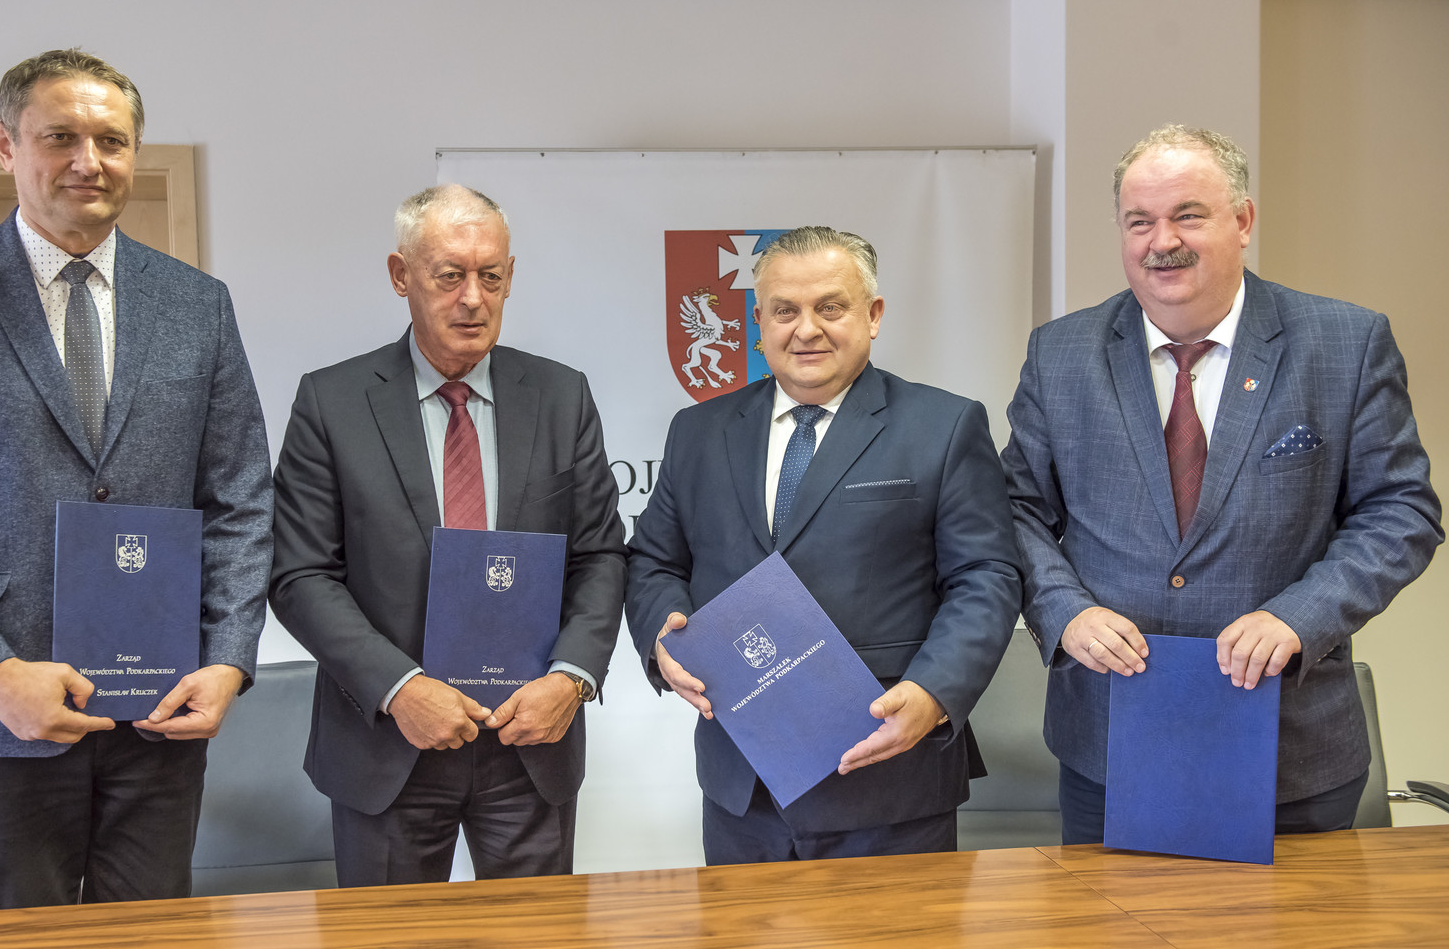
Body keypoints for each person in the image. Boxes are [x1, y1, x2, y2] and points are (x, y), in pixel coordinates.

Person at [0, 48, 274, 910]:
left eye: (112, 140)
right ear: (6, 144)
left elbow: (239, 500)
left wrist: (228, 657)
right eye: (61, 137)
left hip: (159, 712)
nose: (90, 160)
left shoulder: (198, 303)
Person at [1001, 124, 1442, 844]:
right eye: (1139, 221)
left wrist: (1299, 616)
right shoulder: (1062, 352)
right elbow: (1015, 508)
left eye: (1188, 215)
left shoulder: (1345, 342)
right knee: (1114, 923)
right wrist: (1063, 610)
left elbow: (1402, 512)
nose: (1162, 241)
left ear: (1242, 221)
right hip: (1110, 740)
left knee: (1295, 924)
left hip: (1292, 747)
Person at [625, 226, 1022, 863]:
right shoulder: (698, 430)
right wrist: (662, 635)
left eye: (830, 307)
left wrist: (935, 692)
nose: (806, 329)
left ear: (874, 315)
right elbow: (654, 559)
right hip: (742, 786)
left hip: (888, 774)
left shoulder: (944, 425)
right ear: (758, 324)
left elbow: (986, 577)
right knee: (741, 937)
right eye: (785, 310)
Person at [269, 184, 626, 886]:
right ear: (401, 275)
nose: (472, 298)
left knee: (537, 946)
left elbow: (600, 556)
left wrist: (572, 677)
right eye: (449, 275)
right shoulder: (332, 402)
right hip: (388, 742)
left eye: (490, 276)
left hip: (530, 741)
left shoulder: (562, 396)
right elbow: (301, 574)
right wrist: (400, 688)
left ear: (510, 277)